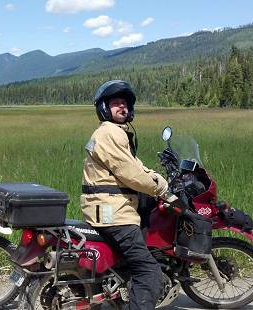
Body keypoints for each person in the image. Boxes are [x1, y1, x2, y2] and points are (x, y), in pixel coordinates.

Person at [80, 80, 169, 310]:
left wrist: (156, 176)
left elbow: (135, 166)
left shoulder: (114, 133)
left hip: (105, 209)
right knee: (149, 271)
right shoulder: (110, 133)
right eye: (115, 103)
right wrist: (161, 188)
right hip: (114, 214)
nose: (122, 107)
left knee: (135, 260)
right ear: (104, 108)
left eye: (124, 103)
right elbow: (131, 174)